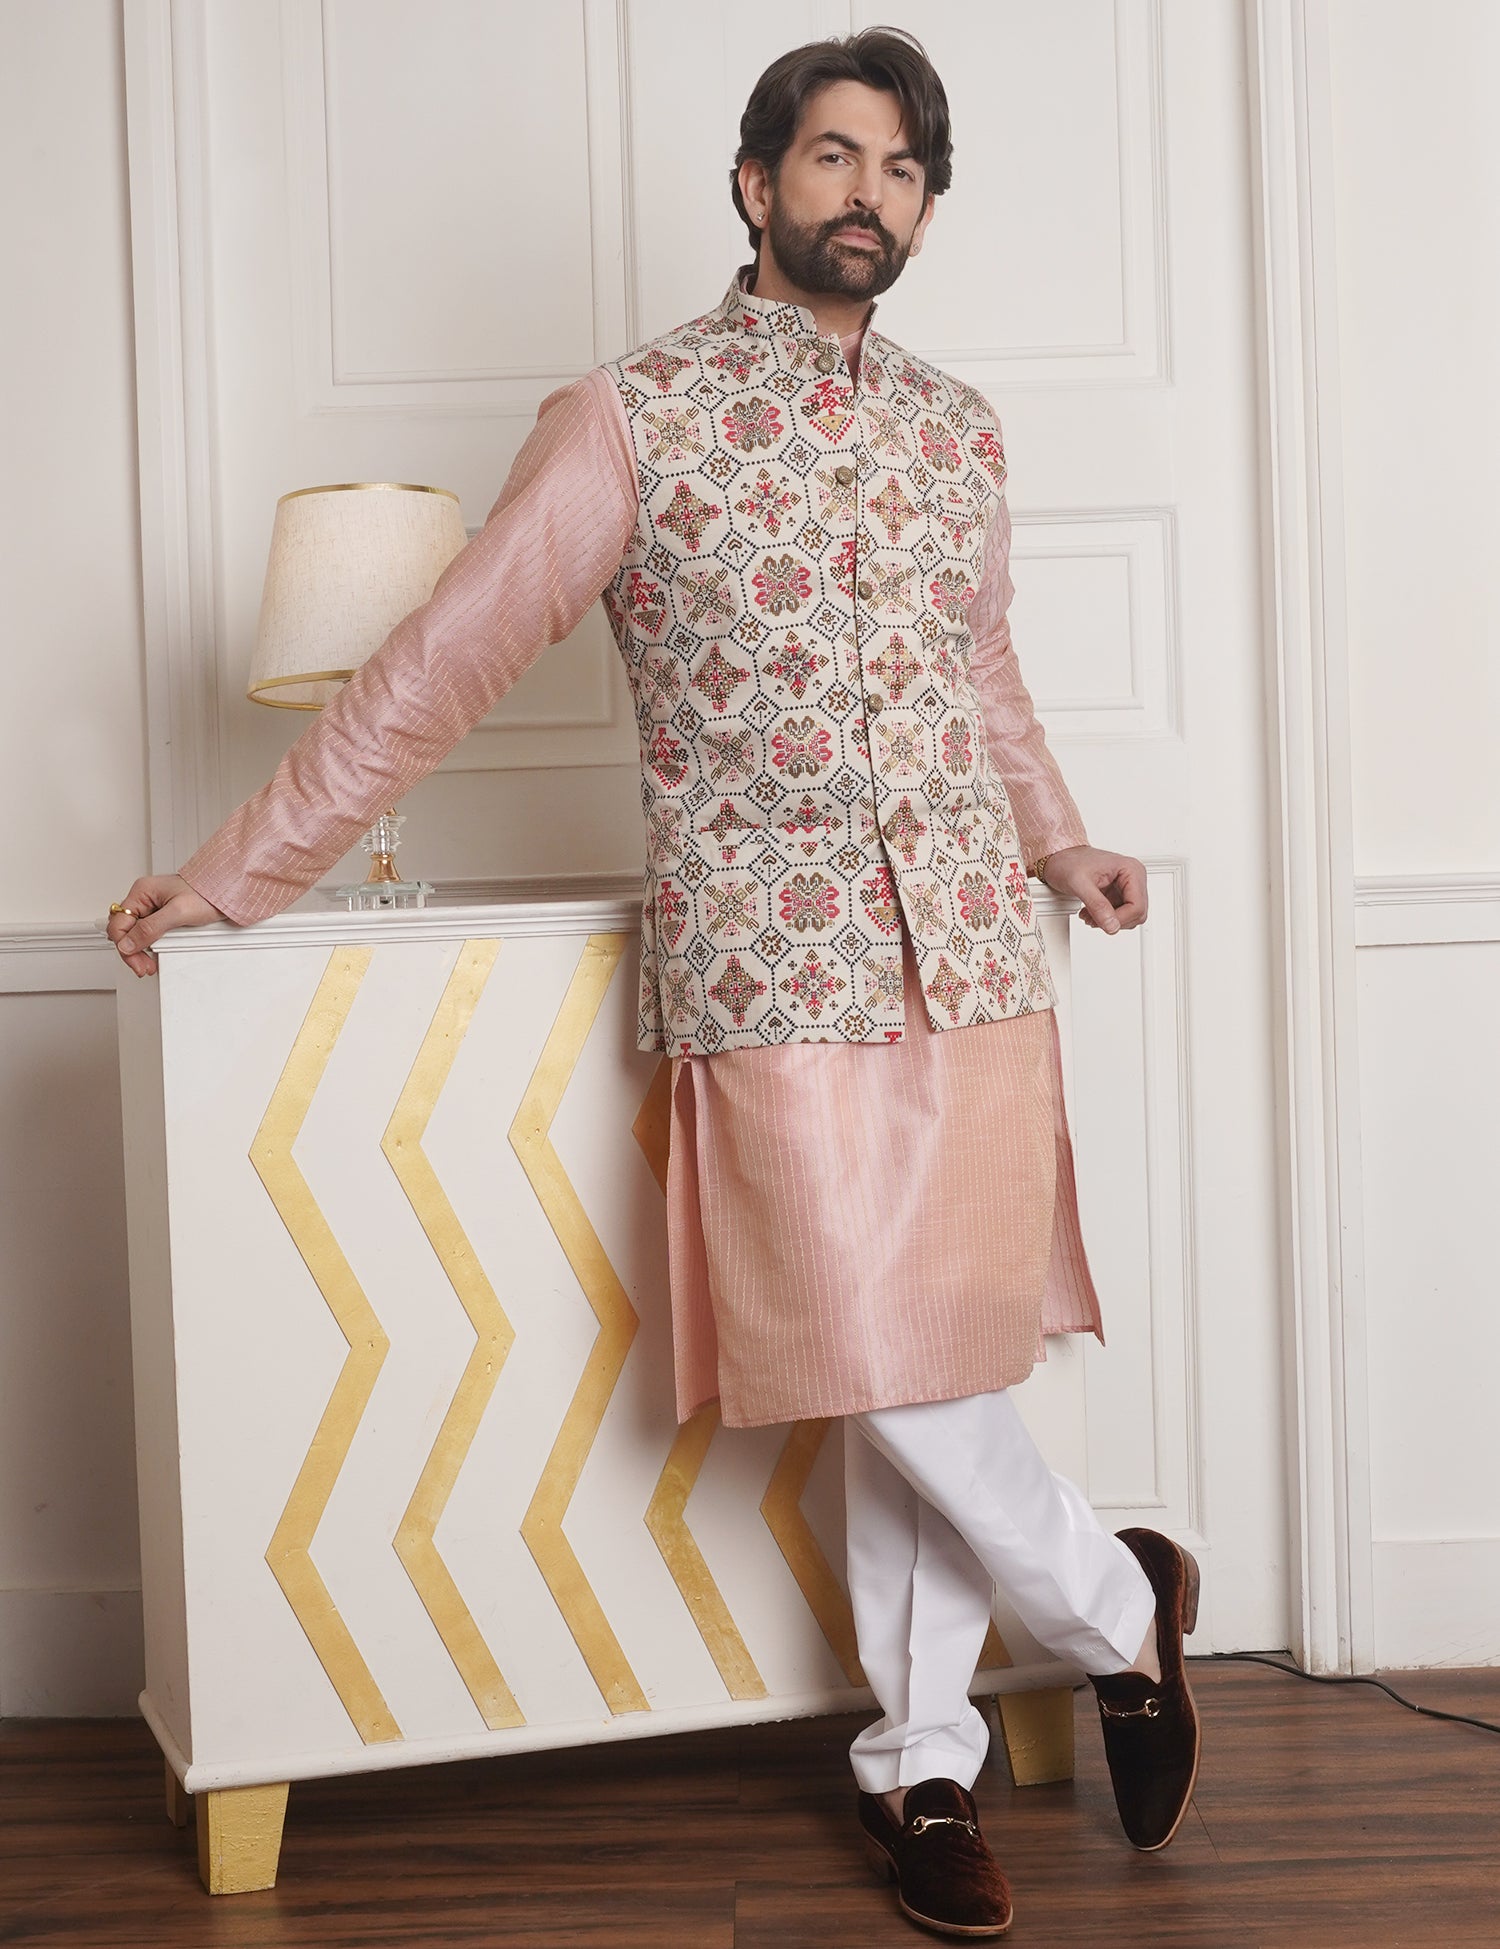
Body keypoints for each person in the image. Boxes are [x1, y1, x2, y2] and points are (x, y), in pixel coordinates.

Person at [106, 27, 1199, 1939]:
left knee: (922, 1364)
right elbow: (444, 656)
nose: (871, 193)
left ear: (925, 212)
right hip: (770, 962)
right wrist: (242, 868)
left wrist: (1059, 842)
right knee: (860, 1342)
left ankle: (922, 1762)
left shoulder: (957, 429)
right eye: (836, 155)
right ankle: (1122, 1607)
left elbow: (980, 674)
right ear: (758, 182)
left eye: (905, 170)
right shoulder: (630, 417)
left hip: (968, 947)